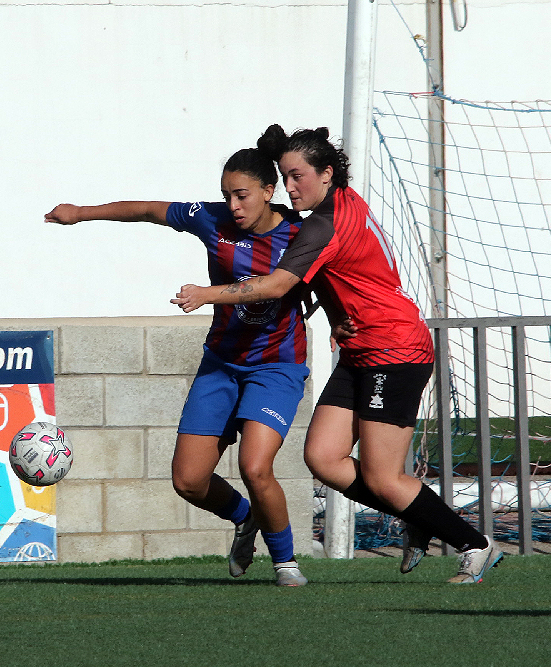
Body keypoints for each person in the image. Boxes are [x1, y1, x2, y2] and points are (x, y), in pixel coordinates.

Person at [171, 125, 503, 584]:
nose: (290, 188)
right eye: (285, 177)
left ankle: (475, 545)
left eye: (297, 176)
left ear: (326, 174)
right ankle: (418, 515)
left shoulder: (323, 224)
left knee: (384, 476)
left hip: (394, 347)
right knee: (324, 459)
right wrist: (332, 310)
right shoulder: (344, 201)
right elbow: (336, 273)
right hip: (360, 348)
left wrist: (206, 294)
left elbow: (278, 283)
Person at [46, 148, 311, 586]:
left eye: (242, 195)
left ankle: (286, 564)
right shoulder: (213, 221)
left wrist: (343, 320)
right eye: (226, 196)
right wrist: (81, 212)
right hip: (222, 364)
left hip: (275, 366)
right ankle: (246, 520)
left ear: (269, 191)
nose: (233, 206)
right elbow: (149, 210)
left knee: (255, 467)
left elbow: (334, 277)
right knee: (188, 481)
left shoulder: (302, 235)